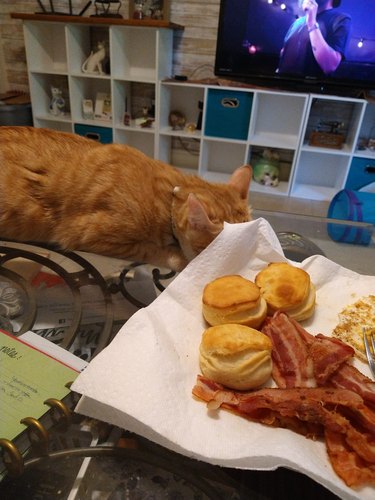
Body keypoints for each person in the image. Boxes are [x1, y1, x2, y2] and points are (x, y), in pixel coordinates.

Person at [277, 0, 351, 77]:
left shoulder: (340, 19)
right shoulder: (297, 22)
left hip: (309, 88)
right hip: (279, 86)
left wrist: (311, 23)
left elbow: (329, 65)